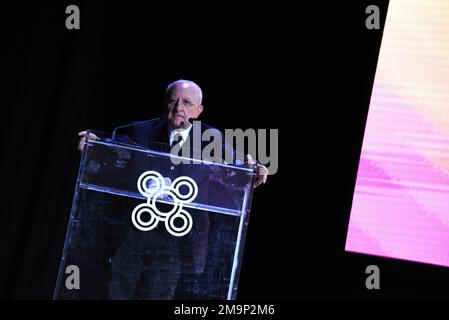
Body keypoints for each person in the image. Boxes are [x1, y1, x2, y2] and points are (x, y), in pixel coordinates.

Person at [76, 80, 268, 299]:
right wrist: (96, 144)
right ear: (164, 104)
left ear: (198, 110)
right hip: (131, 233)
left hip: (176, 240)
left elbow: (237, 164)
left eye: (187, 103)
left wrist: (255, 168)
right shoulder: (142, 130)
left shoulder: (210, 139)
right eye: (173, 101)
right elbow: (113, 147)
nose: (178, 108)